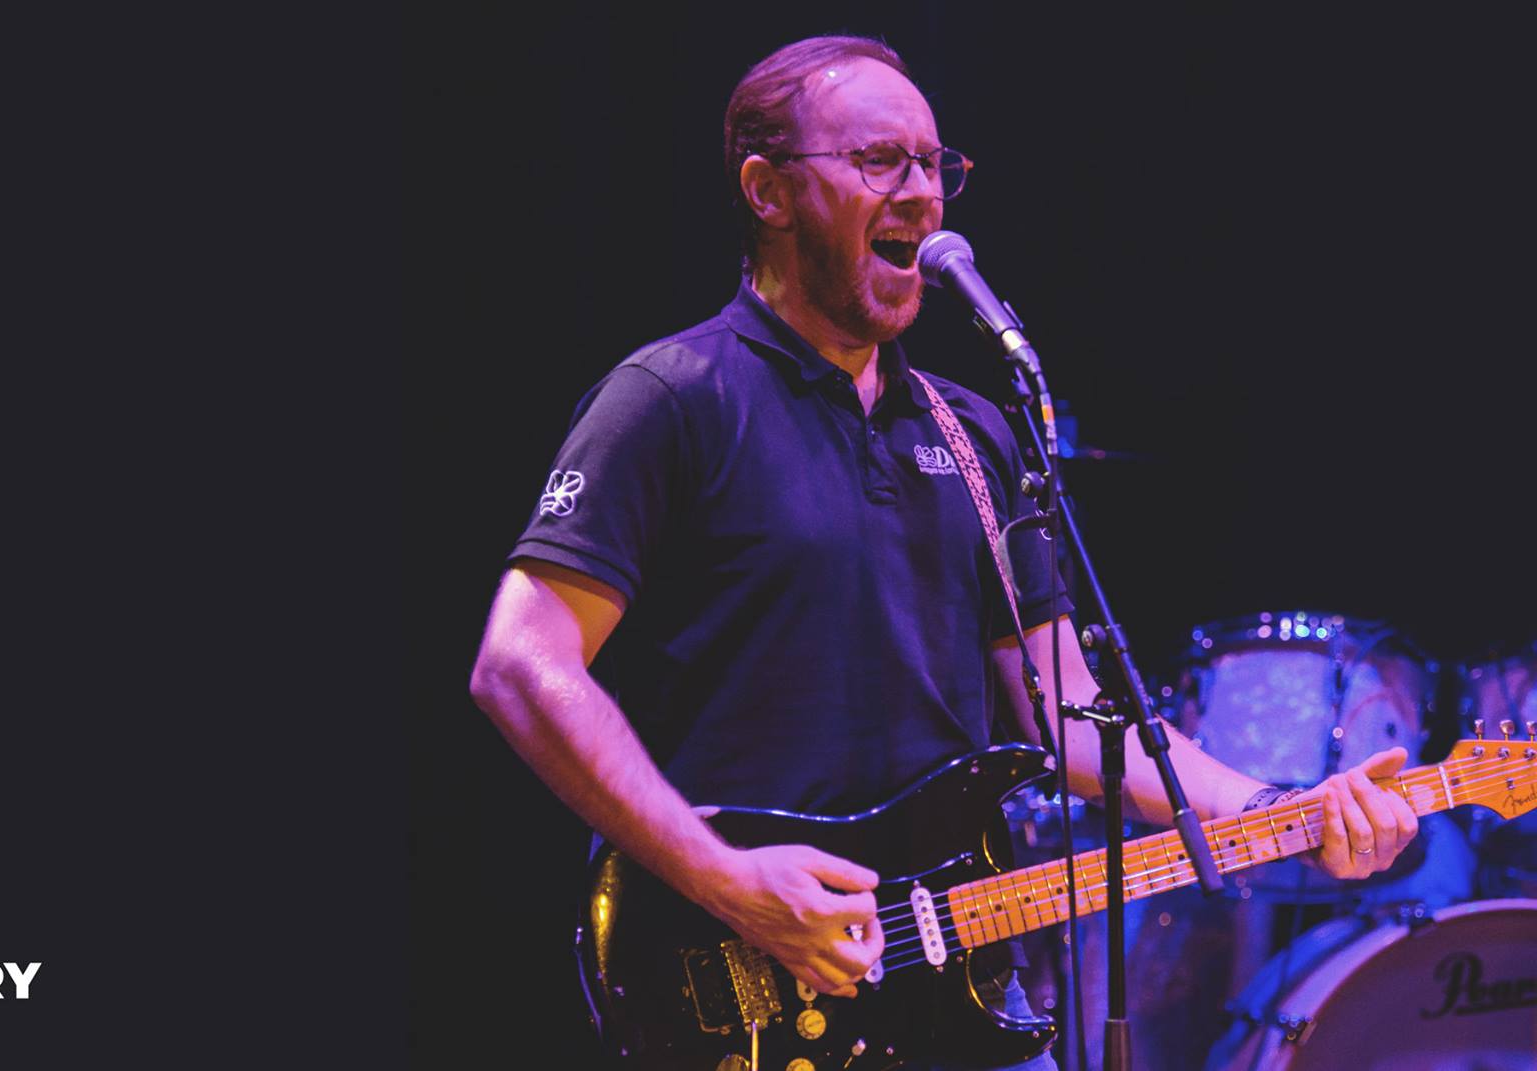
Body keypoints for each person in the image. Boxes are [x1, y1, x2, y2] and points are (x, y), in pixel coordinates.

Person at [466, 34, 1418, 1070]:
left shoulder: (972, 434)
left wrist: (1280, 809)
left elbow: (1064, 712)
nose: (922, 196)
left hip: (952, 984)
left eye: (933, 166)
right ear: (767, 190)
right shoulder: (670, 400)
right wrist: (724, 877)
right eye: (879, 162)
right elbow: (520, 664)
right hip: (729, 981)